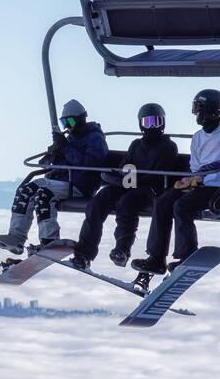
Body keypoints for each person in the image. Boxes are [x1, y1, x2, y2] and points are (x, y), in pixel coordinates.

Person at [133, 89, 220, 275]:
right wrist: (192, 180)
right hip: (202, 187)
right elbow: (196, 167)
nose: (195, 113)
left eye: (198, 108)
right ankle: (156, 258)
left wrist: (206, 171)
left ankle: (187, 255)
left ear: (211, 110)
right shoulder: (198, 137)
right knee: (162, 202)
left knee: (182, 205)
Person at [68, 103, 181, 270]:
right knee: (98, 201)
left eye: (156, 122)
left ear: (162, 123)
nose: (151, 126)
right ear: (141, 124)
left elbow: (158, 173)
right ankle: (84, 253)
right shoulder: (136, 145)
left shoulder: (168, 146)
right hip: (129, 184)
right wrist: (116, 176)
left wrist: (131, 179)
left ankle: (122, 249)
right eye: (147, 122)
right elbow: (125, 166)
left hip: (150, 189)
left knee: (126, 202)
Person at [0, 99, 108, 255]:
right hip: (62, 182)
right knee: (25, 190)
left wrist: (66, 149)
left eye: (70, 120)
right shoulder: (70, 139)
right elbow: (48, 162)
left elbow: (91, 164)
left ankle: (49, 239)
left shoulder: (95, 138)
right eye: (63, 121)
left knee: (44, 194)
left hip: (80, 185)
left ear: (81, 119)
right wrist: (53, 153)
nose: (67, 125)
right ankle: (16, 236)